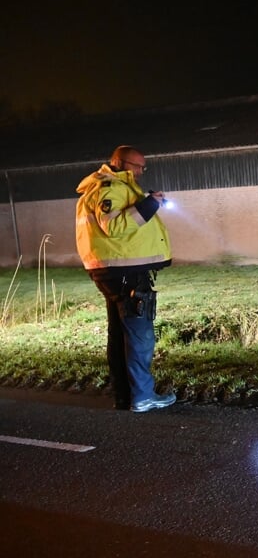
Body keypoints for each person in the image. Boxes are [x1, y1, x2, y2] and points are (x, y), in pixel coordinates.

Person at [75, 146, 175, 412]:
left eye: (143, 167)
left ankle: (124, 396)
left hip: (114, 271)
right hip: (125, 272)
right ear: (120, 163)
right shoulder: (110, 188)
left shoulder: (111, 187)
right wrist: (150, 203)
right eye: (138, 166)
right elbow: (114, 226)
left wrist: (147, 202)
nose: (141, 171)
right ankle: (142, 396)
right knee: (140, 336)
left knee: (120, 335)